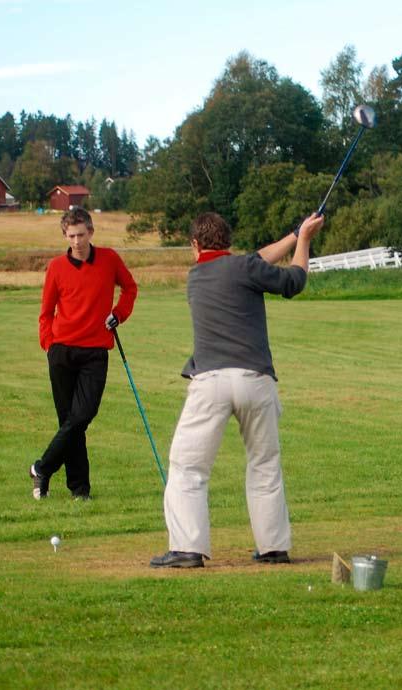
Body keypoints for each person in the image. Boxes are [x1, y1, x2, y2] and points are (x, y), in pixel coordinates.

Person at [150, 211, 324, 568]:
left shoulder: (196, 276)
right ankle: (273, 547)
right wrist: (304, 241)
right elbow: (295, 280)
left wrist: (295, 234)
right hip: (256, 382)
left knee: (188, 468)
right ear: (228, 242)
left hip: (210, 383)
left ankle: (187, 549)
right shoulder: (245, 267)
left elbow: (255, 260)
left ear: (195, 245)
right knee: (264, 464)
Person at [29, 206, 138, 500]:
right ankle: (80, 490)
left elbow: (130, 288)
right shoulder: (56, 267)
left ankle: (42, 468)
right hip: (62, 351)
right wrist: (48, 344)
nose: (76, 241)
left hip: (95, 352)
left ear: (91, 231)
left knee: (82, 416)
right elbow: (45, 311)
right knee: (70, 422)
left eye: (81, 235)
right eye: (71, 236)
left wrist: (119, 314)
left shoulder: (109, 259)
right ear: (65, 235)